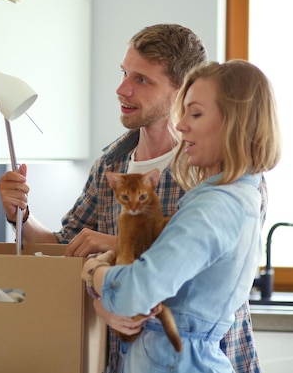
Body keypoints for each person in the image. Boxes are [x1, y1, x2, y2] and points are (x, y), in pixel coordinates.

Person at [0, 24, 264, 372]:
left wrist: (107, 258)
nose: (122, 89)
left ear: (181, 90)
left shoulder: (217, 171)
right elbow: (64, 248)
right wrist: (21, 212)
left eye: (141, 80)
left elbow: (203, 270)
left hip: (203, 357)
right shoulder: (111, 165)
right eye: (125, 73)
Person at [83, 59, 281, 372]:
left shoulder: (214, 206)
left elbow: (136, 292)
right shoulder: (239, 192)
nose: (181, 124)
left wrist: (93, 272)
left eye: (196, 113)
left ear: (234, 122)